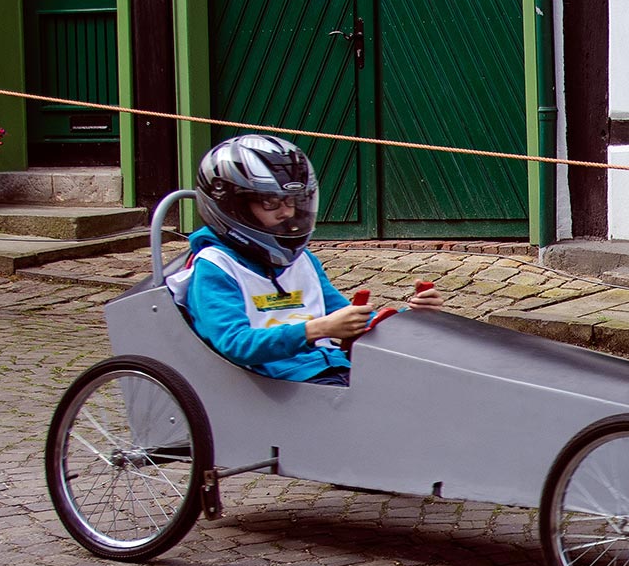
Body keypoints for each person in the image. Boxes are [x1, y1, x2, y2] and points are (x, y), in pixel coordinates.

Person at [176, 134, 444, 386]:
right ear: (233, 206)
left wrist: (410, 318)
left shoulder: (303, 261)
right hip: (277, 383)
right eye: (270, 202)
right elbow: (235, 343)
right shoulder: (216, 268)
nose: (286, 212)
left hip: (328, 368)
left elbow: (348, 318)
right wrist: (316, 329)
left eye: (292, 201)